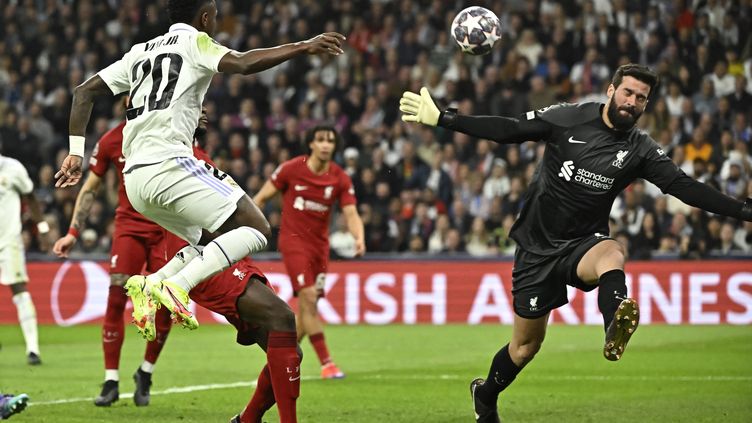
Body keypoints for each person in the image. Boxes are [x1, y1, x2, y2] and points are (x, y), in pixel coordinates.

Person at [399, 63, 752, 422]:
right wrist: (446, 119)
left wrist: (743, 210)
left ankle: (615, 320)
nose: (633, 102)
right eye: (628, 93)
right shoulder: (569, 117)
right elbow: (511, 130)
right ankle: (485, 395)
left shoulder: (640, 149)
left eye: (641, 98)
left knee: (613, 252)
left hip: (584, 243)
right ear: (611, 90)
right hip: (536, 248)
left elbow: (685, 187)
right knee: (524, 348)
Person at [53, 0, 345, 338]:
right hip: (169, 165)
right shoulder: (196, 42)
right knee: (257, 227)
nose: (216, 23)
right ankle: (177, 286)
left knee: (212, 240)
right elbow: (243, 63)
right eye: (216, 17)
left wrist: (75, 153)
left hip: (134, 180)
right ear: (205, 17)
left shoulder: (139, 52)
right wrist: (304, 46)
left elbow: (83, 92)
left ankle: (152, 284)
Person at [51, 107, 210, 406]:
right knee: (115, 298)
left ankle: (146, 371)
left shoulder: (172, 132)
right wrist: (73, 231)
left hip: (168, 228)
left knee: (164, 301)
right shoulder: (113, 139)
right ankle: (111, 380)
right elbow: (91, 187)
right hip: (129, 228)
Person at [253, 126, 365, 379]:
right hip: (295, 244)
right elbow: (260, 198)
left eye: (331, 141)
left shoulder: (339, 177)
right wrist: (249, 229)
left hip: (320, 250)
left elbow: (350, 212)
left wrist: (359, 237)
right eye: (321, 140)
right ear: (311, 144)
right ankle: (327, 363)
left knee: (307, 309)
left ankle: (282, 357)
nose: (326, 145)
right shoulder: (291, 168)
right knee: (309, 299)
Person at [156, 229, 301, 423]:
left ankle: (247, 420)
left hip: (228, 253)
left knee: (291, 353)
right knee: (282, 318)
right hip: (203, 256)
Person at [0, 151, 49, 365]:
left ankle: (33, 348)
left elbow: (31, 197)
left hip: (8, 240)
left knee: (19, 288)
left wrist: (43, 229)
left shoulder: (13, 168)